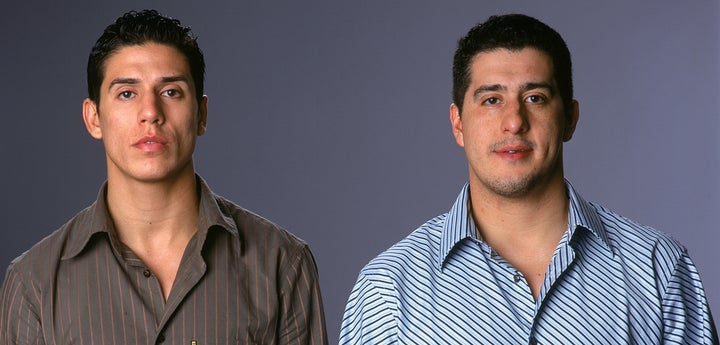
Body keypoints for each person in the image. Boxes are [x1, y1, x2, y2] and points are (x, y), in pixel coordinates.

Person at [340, 14, 717, 344]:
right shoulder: (388, 289)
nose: (514, 121)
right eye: (491, 100)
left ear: (570, 117)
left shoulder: (658, 269)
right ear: (458, 123)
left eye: (535, 97)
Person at [0, 9, 327, 344]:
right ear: (93, 117)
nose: (151, 113)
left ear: (201, 115)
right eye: (127, 93)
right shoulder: (34, 283)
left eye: (171, 91)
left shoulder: (282, 263)